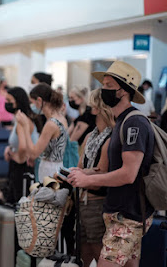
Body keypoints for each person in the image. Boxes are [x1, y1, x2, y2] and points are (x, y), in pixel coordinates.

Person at [68, 61, 154, 267]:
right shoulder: (121, 123)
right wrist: (83, 173)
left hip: (128, 215)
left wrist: (88, 179)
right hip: (119, 213)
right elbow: (111, 169)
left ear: (123, 92)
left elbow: (128, 174)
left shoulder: (134, 123)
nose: (102, 90)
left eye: (108, 86)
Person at [66, 88, 114, 266]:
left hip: (97, 202)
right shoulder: (91, 136)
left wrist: (81, 174)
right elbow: (81, 167)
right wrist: (80, 173)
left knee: (96, 247)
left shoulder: (110, 138)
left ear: (98, 108)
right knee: (82, 247)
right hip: (82, 200)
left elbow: (101, 171)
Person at [16, 83, 68, 183]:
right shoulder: (61, 118)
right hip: (57, 167)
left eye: (33, 103)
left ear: (39, 101)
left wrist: (25, 126)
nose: (33, 106)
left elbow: (34, 153)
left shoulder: (51, 124)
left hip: (49, 170)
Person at [3, 87, 40, 203]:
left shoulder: (21, 121)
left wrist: (14, 156)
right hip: (23, 167)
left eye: (9, 101)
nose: (6, 104)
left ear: (18, 101)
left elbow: (23, 147)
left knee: (17, 202)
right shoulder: (25, 117)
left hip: (21, 168)